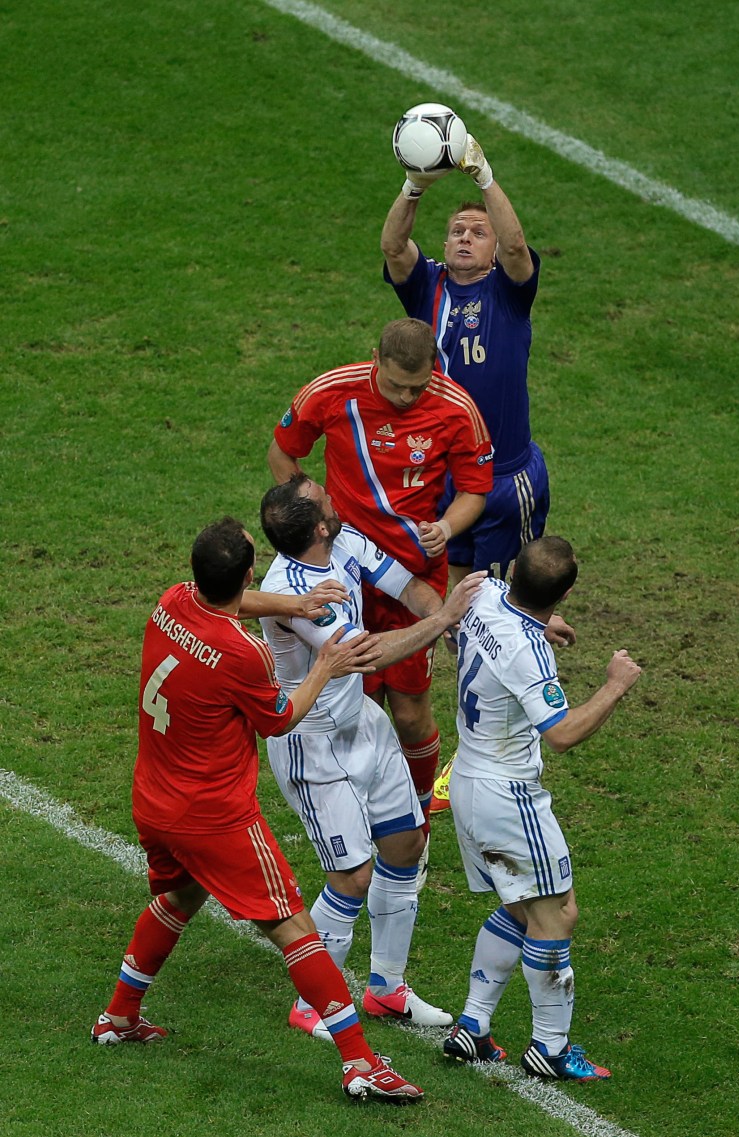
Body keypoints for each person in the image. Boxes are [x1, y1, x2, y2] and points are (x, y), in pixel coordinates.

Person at [91, 516, 423, 1102]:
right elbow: (279, 720)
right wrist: (324, 667)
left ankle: (118, 1016)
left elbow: (234, 602)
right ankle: (361, 1063)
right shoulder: (243, 653)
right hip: (214, 816)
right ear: (246, 575)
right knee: (294, 926)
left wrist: (297, 600)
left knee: (181, 895)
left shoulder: (171, 601)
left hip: (154, 800)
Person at [245, 475, 485, 1039]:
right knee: (352, 876)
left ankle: (386, 989)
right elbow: (367, 656)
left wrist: (456, 619)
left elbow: (407, 588)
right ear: (319, 525)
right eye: (319, 492)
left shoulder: (345, 540)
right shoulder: (294, 592)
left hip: (363, 723)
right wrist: (444, 620)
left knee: (406, 843)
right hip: (314, 742)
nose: (329, 489)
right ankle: (314, 1005)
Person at [381, 130, 550, 813]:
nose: (465, 238)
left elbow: (515, 246)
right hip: (443, 480)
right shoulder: (428, 288)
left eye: (475, 231)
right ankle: (461, 724)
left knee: (508, 610)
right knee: (452, 601)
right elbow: (394, 247)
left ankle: (514, 725)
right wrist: (414, 185)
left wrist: (483, 177)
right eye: (457, 230)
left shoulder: (512, 290)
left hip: (507, 480)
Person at [267, 318, 493, 830]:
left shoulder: (457, 408)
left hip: (413, 575)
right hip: (347, 574)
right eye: (395, 385)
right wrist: (313, 523)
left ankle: (413, 811)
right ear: (375, 359)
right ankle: (356, 806)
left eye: (417, 386)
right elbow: (283, 452)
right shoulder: (331, 392)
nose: (407, 397)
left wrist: (445, 526)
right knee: (355, 702)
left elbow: (475, 490)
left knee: (411, 713)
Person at [441, 536, 642, 1081]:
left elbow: (481, 631)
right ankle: (550, 1048)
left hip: (467, 780)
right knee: (558, 915)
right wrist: (614, 686)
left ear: (514, 572)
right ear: (567, 591)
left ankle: (473, 1026)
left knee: (519, 909)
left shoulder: (484, 591)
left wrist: (538, 626)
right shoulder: (531, 654)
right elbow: (561, 733)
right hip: (508, 795)